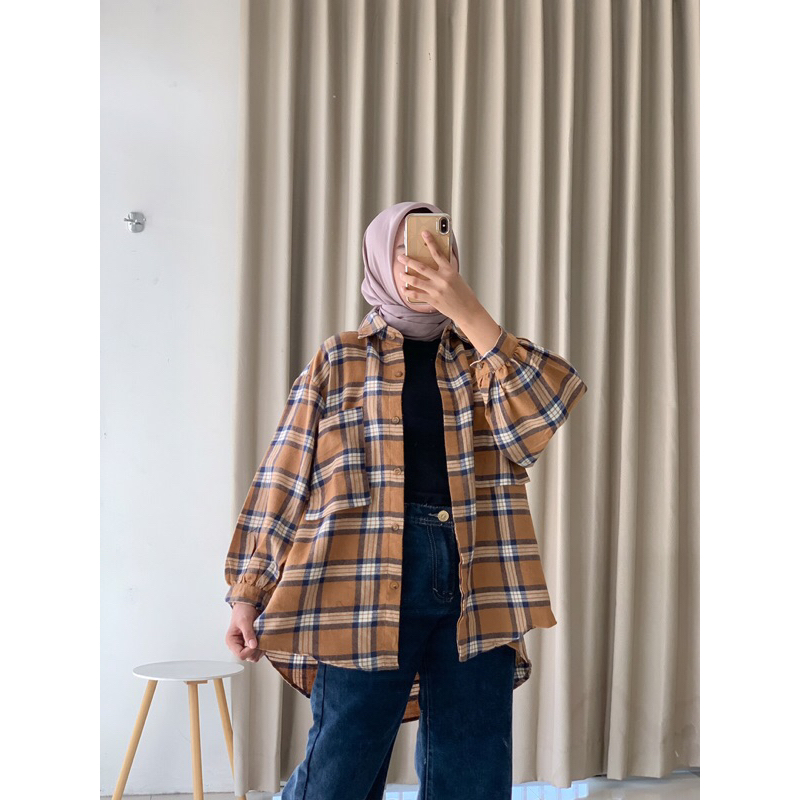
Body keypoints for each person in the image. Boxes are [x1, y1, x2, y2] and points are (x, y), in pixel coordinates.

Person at [224, 200, 588, 799]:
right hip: (359, 576)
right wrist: (248, 590)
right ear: (375, 261)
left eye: (436, 246)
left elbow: (544, 414)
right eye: (403, 248)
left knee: (473, 768)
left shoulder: (484, 360)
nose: (420, 261)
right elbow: (282, 476)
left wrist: (468, 311)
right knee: (341, 765)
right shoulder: (340, 358)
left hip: (479, 575)